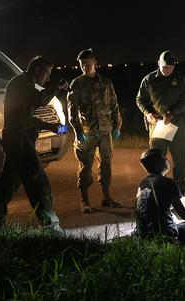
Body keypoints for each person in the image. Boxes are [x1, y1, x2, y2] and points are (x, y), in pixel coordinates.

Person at [0, 56, 68, 233]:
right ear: (37, 71)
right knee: (38, 181)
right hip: (19, 141)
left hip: (17, 140)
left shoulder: (23, 85)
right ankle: (50, 225)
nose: (48, 78)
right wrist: (57, 87)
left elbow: (25, 117)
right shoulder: (20, 85)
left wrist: (49, 126)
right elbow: (40, 100)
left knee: (8, 183)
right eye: (47, 74)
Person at [67, 48, 123, 213]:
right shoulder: (76, 84)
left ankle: (106, 197)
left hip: (105, 131)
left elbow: (114, 105)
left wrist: (117, 125)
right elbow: (72, 110)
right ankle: (85, 200)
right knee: (85, 166)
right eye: (82, 65)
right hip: (87, 131)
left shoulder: (106, 82)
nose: (84, 67)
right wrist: (77, 130)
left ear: (95, 63)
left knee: (106, 165)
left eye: (88, 64)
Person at [136, 50, 185, 195]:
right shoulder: (149, 79)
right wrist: (148, 113)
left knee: (180, 158)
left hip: (176, 123)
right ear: (159, 63)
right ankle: (160, 189)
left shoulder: (180, 80)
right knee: (156, 159)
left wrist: (172, 113)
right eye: (165, 67)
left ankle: (179, 190)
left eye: (170, 68)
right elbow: (140, 99)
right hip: (157, 124)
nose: (167, 70)